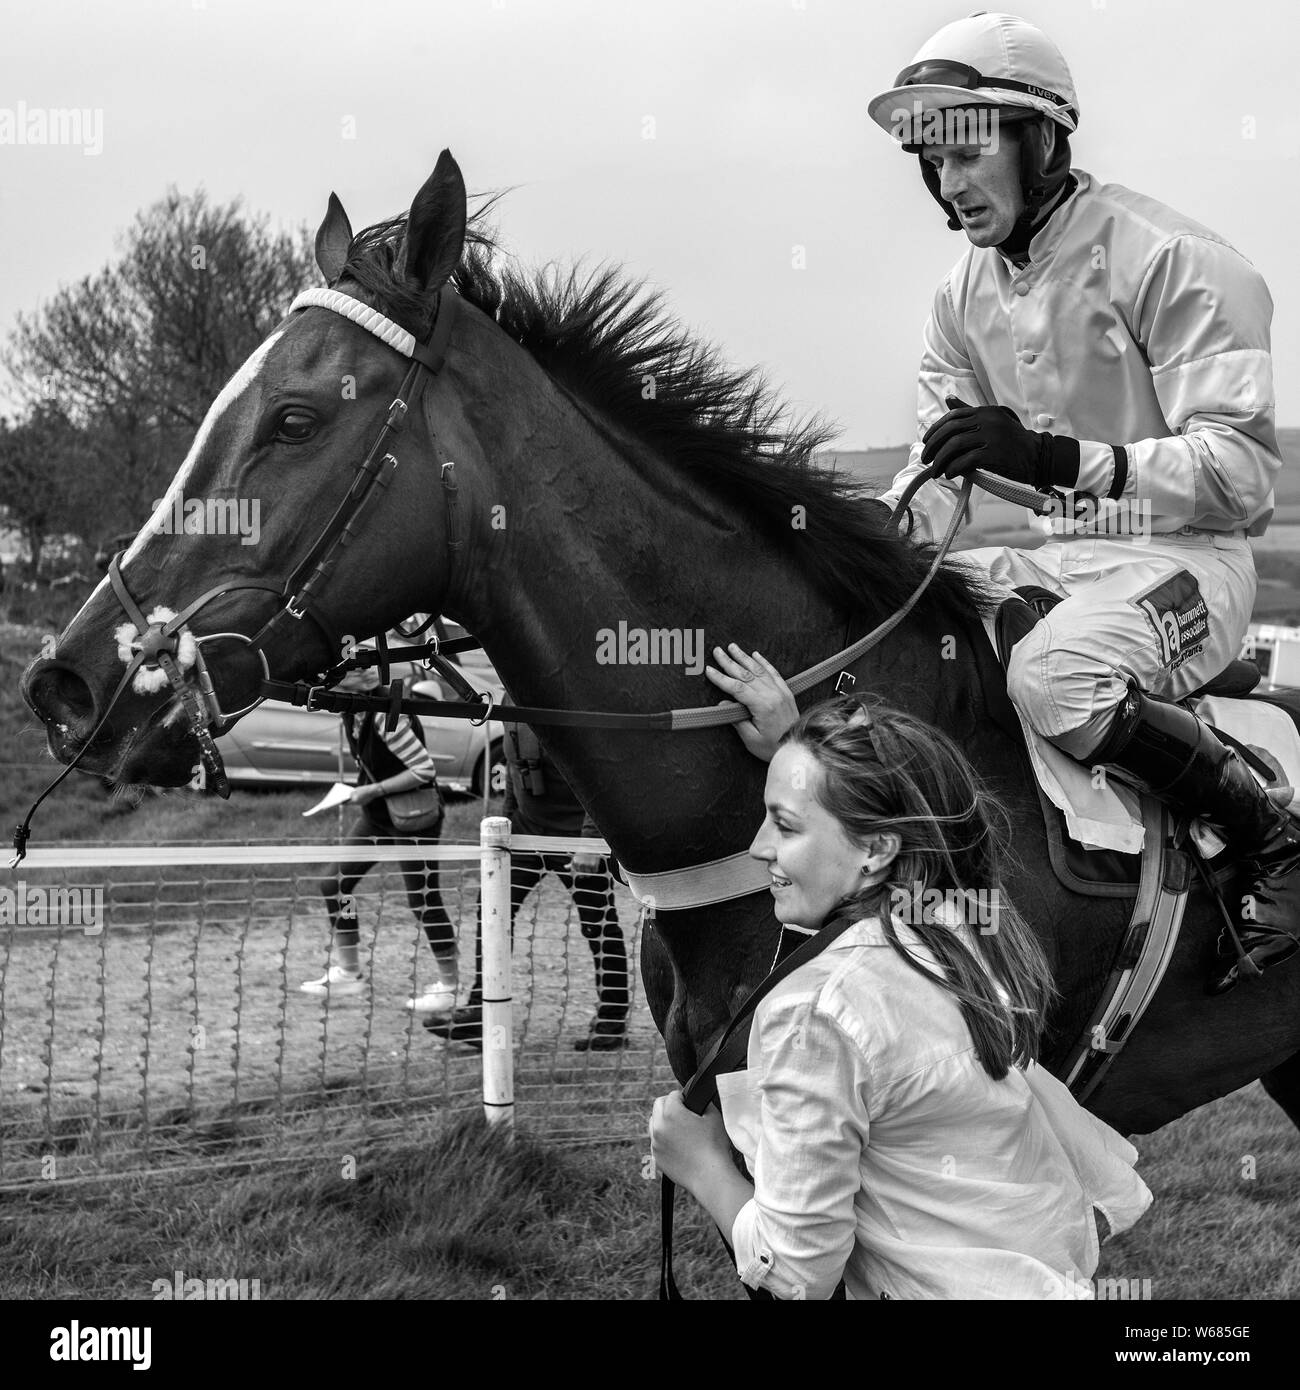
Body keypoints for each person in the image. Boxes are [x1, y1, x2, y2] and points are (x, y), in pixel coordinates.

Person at [862, 11, 1297, 992]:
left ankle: (1273, 833)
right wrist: (872, 550)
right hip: (1061, 561)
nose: (947, 182)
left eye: (967, 154)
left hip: (1193, 563)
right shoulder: (956, 298)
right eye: (931, 160)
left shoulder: (1178, 260)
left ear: (1044, 139)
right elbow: (937, 480)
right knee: (902, 639)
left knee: (1055, 679)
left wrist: (1063, 461)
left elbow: (1239, 478)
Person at [651, 654, 1153, 1300]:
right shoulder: (958, 928)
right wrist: (798, 748)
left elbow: (800, 1273)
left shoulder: (819, 1010)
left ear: (878, 850)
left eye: (784, 824)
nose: (759, 847)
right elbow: (882, 804)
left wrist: (704, 1167)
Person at [425, 717, 630, 1051]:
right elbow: (512, 769)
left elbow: (602, 771)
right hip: (524, 830)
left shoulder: (563, 695)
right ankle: (480, 1014)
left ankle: (612, 1022)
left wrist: (591, 839)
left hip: (575, 836)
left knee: (598, 925)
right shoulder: (509, 698)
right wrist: (505, 827)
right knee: (491, 913)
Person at [300, 655, 460, 1014]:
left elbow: (424, 770)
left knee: (423, 899)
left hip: (413, 816)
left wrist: (371, 791)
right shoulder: (351, 713)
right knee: (336, 886)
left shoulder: (389, 719)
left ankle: (450, 986)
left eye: (331, 683)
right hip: (377, 816)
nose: (325, 691)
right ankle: (349, 972)